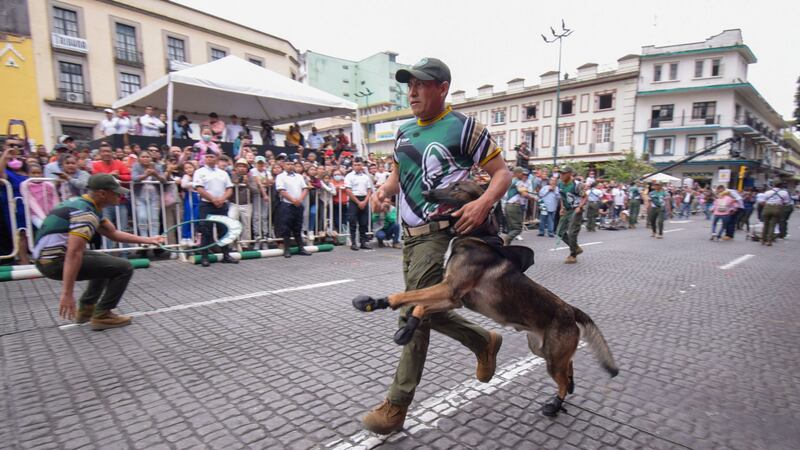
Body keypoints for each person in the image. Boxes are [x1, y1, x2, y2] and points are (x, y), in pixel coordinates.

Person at [363, 57, 511, 435]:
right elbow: (398, 177)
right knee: (429, 310)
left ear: (442, 87)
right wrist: (382, 192)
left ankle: (396, 406)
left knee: (415, 313)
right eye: (408, 84)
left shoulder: (463, 128)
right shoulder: (404, 132)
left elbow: (501, 174)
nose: (412, 91)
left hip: (441, 234)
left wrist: (482, 203)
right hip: (409, 240)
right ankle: (484, 341)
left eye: (421, 84)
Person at [32, 174, 163, 330]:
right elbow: (74, 253)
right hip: (53, 261)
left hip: (48, 257)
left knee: (106, 263)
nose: (120, 195)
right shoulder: (86, 214)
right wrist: (67, 294)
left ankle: (87, 309)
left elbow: (113, 233)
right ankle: (103, 315)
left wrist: (148, 240)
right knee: (124, 268)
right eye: (116, 192)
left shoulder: (86, 204)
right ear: (102, 193)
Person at [192, 152, 238, 266]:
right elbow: (199, 189)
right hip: (207, 205)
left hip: (222, 205)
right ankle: (204, 256)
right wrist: (213, 199)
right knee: (206, 230)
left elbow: (229, 189)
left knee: (224, 230)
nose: (209, 159)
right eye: (207, 157)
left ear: (216, 158)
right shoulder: (199, 172)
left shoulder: (223, 173)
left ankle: (226, 255)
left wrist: (222, 199)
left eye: (211, 157)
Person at [274, 161, 311, 258]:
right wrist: (293, 200)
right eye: (288, 164)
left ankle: (301, 248)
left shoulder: (299, 176)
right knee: (286, 228)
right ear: (284, 165)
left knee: (298, 227)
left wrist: (300, 199)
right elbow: (282, 190)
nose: (290, 166)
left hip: (298, 204)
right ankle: (287, 249)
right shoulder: (280, 176)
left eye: (292, 164)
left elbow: (305, 188)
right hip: (287, 205)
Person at [556, 166, 586, 263]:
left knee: (572, 232)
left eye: (563, 173)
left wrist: (579, 207)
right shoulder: (560, 184)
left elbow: (585, 197)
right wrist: (561, 208)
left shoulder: (577, 185)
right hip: (567, 210)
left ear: (569, 174)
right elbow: (562, 197)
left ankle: (573, 255)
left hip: (576, 210)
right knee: (559, 232)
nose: (561, 175)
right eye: (560, 173)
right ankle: (576, 248)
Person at [344, 157, 374, 250]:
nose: (357, 166)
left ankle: (363, 242)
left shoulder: (366, 177)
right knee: (353, 222)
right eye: (355, 165)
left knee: (364, 223)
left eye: (359, 165)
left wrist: (365, 201)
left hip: (364, 199)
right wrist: (358, 202)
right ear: (353, 165)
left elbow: (369, 190)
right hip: (354, 199)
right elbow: (348, 190)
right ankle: (353, 243)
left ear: (362, 166)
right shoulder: (349, 176)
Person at [504, 167, 532, 244]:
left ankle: (506, 245)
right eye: (521, 173)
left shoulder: (513, 181)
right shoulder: (518, 182)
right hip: (514, 207)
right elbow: (524, 194)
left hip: (510, 206)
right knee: (518, 229)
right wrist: (535, 198)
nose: (523, 175)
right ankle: (505, 240)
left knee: (512, 228)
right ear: (516, 174)